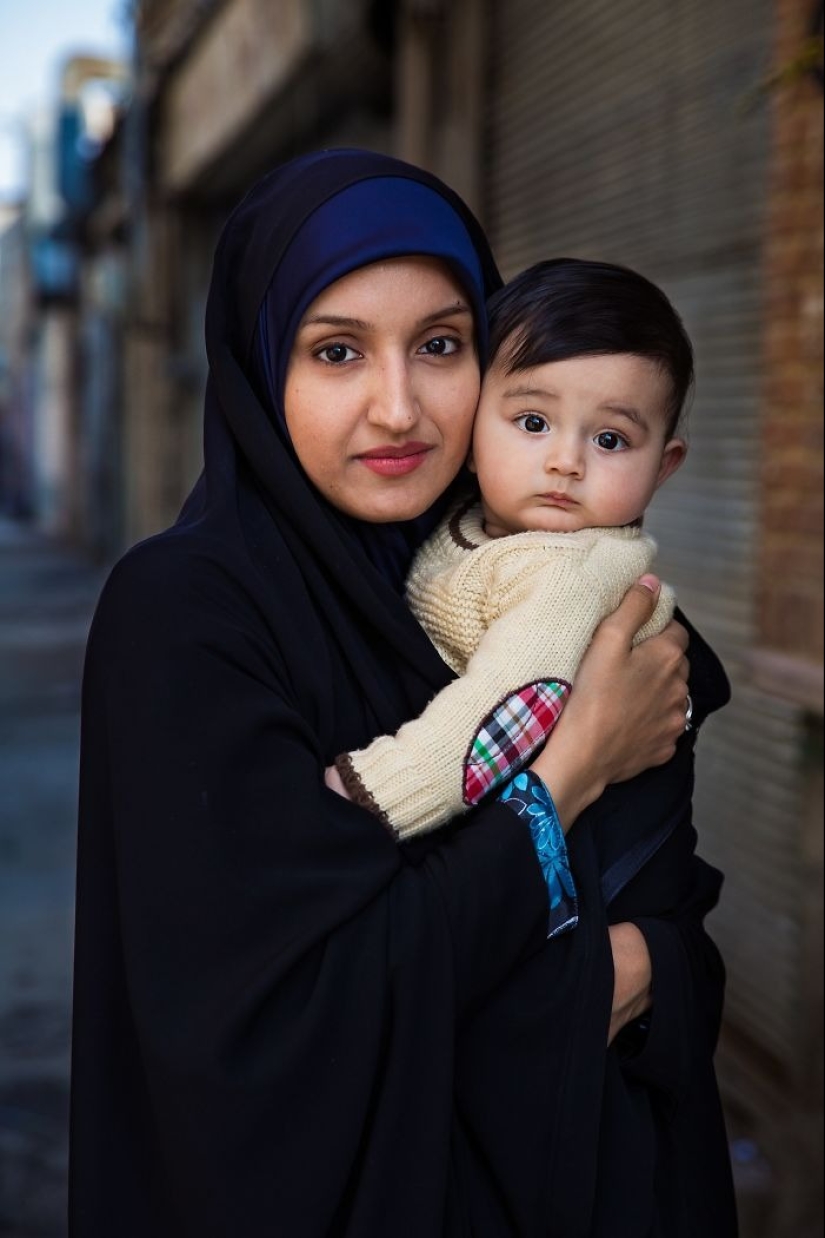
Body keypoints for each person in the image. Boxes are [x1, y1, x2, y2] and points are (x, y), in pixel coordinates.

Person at [69, 149, 737, 1237]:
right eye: (336, 351)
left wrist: (649, 965)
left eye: (441, 345)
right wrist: (572, 767)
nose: (398, 406)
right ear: (257, 365)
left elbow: (672, 914)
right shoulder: (190, 614)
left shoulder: (497, 579)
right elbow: (271, 1022)